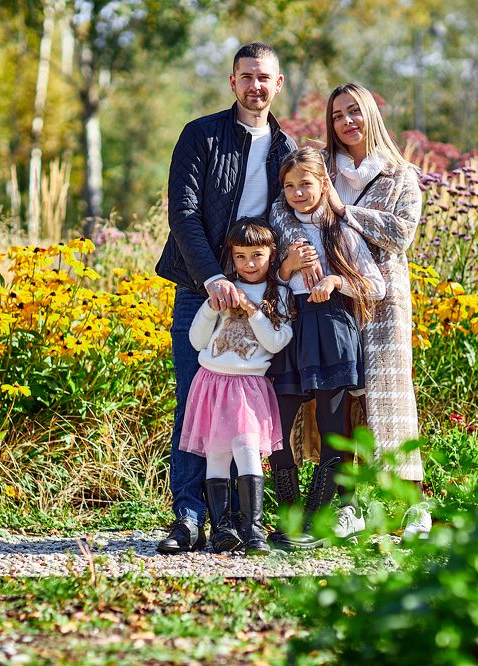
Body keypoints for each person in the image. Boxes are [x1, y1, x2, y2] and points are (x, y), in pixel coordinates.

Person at [154, 43, 297, 554]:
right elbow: (184, 213)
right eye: (246, 76)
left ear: (278, 84)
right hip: (201, 289)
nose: (256, 86)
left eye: (264, 77)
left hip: (262, 297)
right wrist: (213, 278)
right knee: (196, 401)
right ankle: (189, 518)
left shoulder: (286, 148)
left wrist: (283, 279)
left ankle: (235, 522)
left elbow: (294, 216)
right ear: (232, 82)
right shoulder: (201, 135)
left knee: (246, 411)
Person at [272, 83, 431, 541]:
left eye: (354, 112)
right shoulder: (323, 167)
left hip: (381, 300)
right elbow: (285, 207)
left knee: (388, 399)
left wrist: (346, 212)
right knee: (338, 403)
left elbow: (400, 235)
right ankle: (347, 505)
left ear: (371, 115)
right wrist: (298, 254)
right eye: (338, 115)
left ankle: (413, 505)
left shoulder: (399, 175)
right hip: (325, 305)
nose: (347, 122)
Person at [267, 147, 386, 549]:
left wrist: (336, 281)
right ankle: (290, 517)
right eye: (289, 186)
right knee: (277, 429)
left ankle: (315, 523)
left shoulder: (342, 230)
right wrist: (286, 268)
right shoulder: (281, 233)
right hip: (293, 329)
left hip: (333, 328)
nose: (297, 193)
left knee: (333, 427)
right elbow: (267, 285)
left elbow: (375, 285)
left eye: (305, 184)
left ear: (323, 183)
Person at [179, 220, 293, 556]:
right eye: (241, 256)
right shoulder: (224, 289)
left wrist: (251, 310)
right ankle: (223, 529)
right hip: (212, 381)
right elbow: (197, 340)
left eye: (257, 255)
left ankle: (253, 529)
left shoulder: (278, 294)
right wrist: (209, 307)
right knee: (217, 453)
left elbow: (276, 342)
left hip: (248, 385)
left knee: (246, 448)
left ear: (272, 254)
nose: (249, 263)